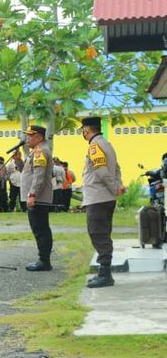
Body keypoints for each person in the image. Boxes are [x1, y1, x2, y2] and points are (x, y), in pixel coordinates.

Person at [80, 116, 124, 288]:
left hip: (98, 197)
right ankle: (104, 272)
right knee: (102, 233)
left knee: (98, 233)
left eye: (82, 131)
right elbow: (117, 168)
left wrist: (114, 187)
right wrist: (117, 185)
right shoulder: (107, 144)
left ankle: (105, 274)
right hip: (106, 197)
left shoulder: (94, 146)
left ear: (86, 131)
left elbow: (101, 171)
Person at [20, 125, 55, 271]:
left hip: (38, 198)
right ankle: (43, 259)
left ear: (39, 137)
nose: (27, 138)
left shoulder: (40, 151)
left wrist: (32, 194)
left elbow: (39, 176)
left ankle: (44, 261)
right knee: (40, 229)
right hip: (37, 198)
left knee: (40, 230)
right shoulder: (35, 151)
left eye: (30, 135)